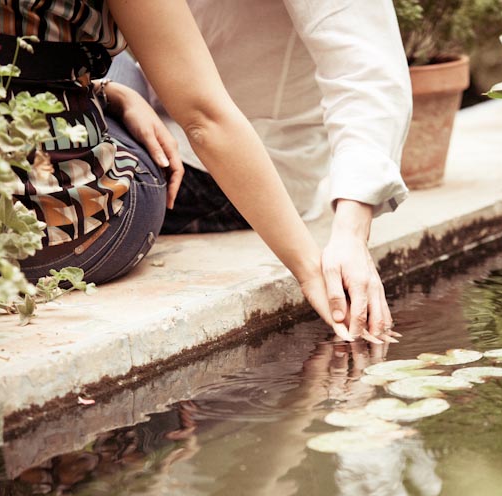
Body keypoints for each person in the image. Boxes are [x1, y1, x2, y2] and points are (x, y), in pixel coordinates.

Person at [0, 0, 352, 340]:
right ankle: (112, 101)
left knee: (127, 80)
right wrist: (311, 269)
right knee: (145, 118)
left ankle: (108, 93)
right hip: (59, 234)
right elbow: (204, 118)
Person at [107, 0, 412, 344]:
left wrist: (350, 235)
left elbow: (366, 73)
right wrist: (114, 93)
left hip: (230, 167)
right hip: (157, 109)